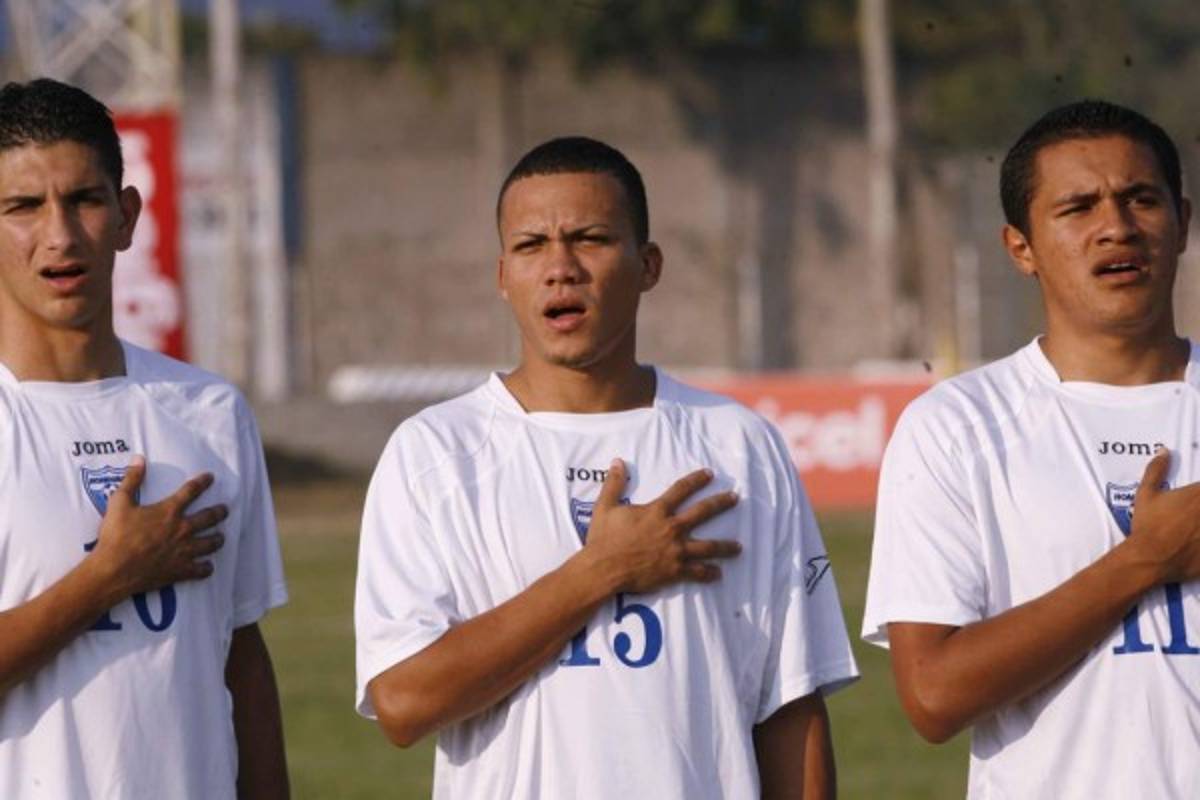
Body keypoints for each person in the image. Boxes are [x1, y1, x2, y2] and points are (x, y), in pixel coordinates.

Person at [355, 136, 858, 798]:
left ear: (648, 264)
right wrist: (600, 572)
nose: (561, 267)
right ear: (503, 276)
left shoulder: (738, 447)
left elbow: (790, 705)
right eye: (532, 246)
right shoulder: (434, 452)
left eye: (590, 238)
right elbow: (403, 702)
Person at [863, 99, 1200, 797]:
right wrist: (1142, 561)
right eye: (1078, 209)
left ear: (1183, 222)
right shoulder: (955, 426)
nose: (1116, 227)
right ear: (1021, 248)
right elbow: (932, 698)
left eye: (1141, 199)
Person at [0, 78, 289, 798]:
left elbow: (241, 655)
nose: (60, 236)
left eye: (86, 200)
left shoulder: (210, 411)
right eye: (24, 208)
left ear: (128, 215)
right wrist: (108, 577)